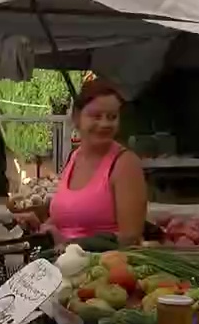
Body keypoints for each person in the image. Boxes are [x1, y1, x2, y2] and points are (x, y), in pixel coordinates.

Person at [47, 79, 148, 245]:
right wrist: (43, 226)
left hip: (102, 267)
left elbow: (130, 238)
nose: (105, 124)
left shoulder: (125, 164)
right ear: (77, 117)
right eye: (96, 116)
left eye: (112, 117)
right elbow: (69, 216)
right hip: (61, 264)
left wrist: (68, 244)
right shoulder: (74, 157)